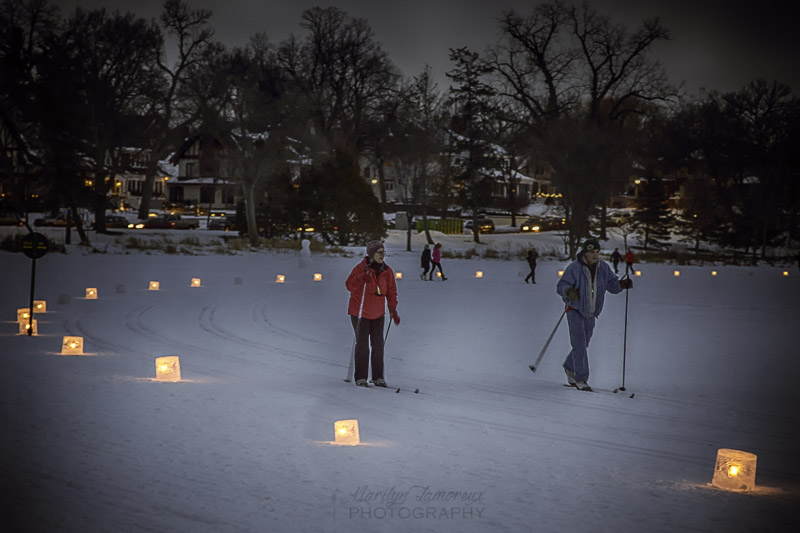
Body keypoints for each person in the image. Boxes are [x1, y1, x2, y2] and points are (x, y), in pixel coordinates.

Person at [556, 238, 633, 391]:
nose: (595, 255)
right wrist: (569, 292)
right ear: (585, 252)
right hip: (575, 309)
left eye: (597, 252)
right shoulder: (575, 268)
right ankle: (581, 379)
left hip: (591, 312)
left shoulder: (603, 268)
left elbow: (612, 285)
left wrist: (621, 285)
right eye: (592, 252)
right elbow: (561, 285)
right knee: (579, 344)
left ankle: (570, 367)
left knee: (583, 344)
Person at [345, 240, 400, 387]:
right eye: (379, 252)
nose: (383, 255)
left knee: (378, 345)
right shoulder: (360, 268)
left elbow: (391, 291)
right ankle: (361, 377)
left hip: (378, 313)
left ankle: (378, 377)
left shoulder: (387, 271)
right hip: (360, 313)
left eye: (384, 252)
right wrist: (361, 278)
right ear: (371, 254)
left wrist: (393, 309)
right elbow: (349, 285)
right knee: (362, 345)